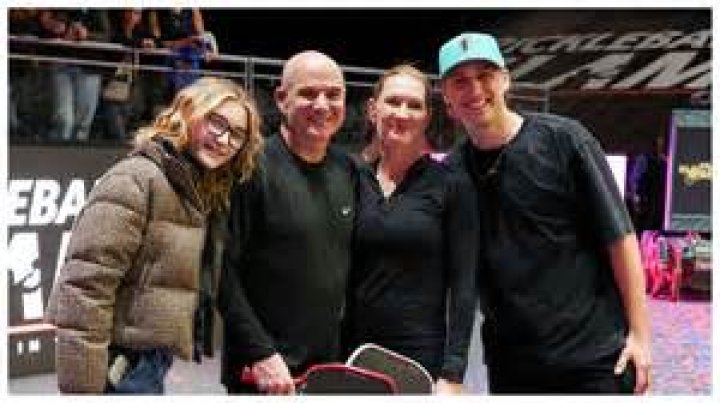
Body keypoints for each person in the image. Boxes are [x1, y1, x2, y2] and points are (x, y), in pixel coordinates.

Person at [438, 32, 652, 394]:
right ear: (446, 97)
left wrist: (641, 336)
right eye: (460, 81)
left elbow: (620, 237)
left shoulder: (565, 140)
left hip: (594, 358)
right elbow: (461, 275)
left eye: (485, 75)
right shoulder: (453, 172)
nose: (474, 89)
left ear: (505, 80)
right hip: (512, 366)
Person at [44, 77, 264, 394]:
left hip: (146, 363)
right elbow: (85, 289)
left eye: (237, 134)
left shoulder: (193, 189)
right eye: (216, 122)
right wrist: (84, 391)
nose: (224, 139)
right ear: (187, 114)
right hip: (116, 368)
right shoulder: (136, 179)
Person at [218, 50, 356, 395]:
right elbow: (220, 270)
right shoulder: (249, 168)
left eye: (333, 94)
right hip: (264, 375)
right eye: (308, 93)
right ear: (282, 99)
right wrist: (260, 352)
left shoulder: (348, 170)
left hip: (327, 371)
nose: (322, 105)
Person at [342, 64, 477, 394]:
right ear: (373, 109)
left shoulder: (452, 184)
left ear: (427, 117)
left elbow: (464, 283)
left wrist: (454, 372)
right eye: (393, 101)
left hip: (418, 359)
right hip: (351, 350)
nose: (402, 113)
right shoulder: (352, 179)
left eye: (414, 105)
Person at [37, 9, 111, 141]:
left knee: (82, 123)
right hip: (61, 64)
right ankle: (56, 150)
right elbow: (42, 30)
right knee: (64, 120)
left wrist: (87, 35)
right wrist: (59, 30)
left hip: (89, 67)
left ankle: (76, 152)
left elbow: (107, 36)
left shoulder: (98, 11)